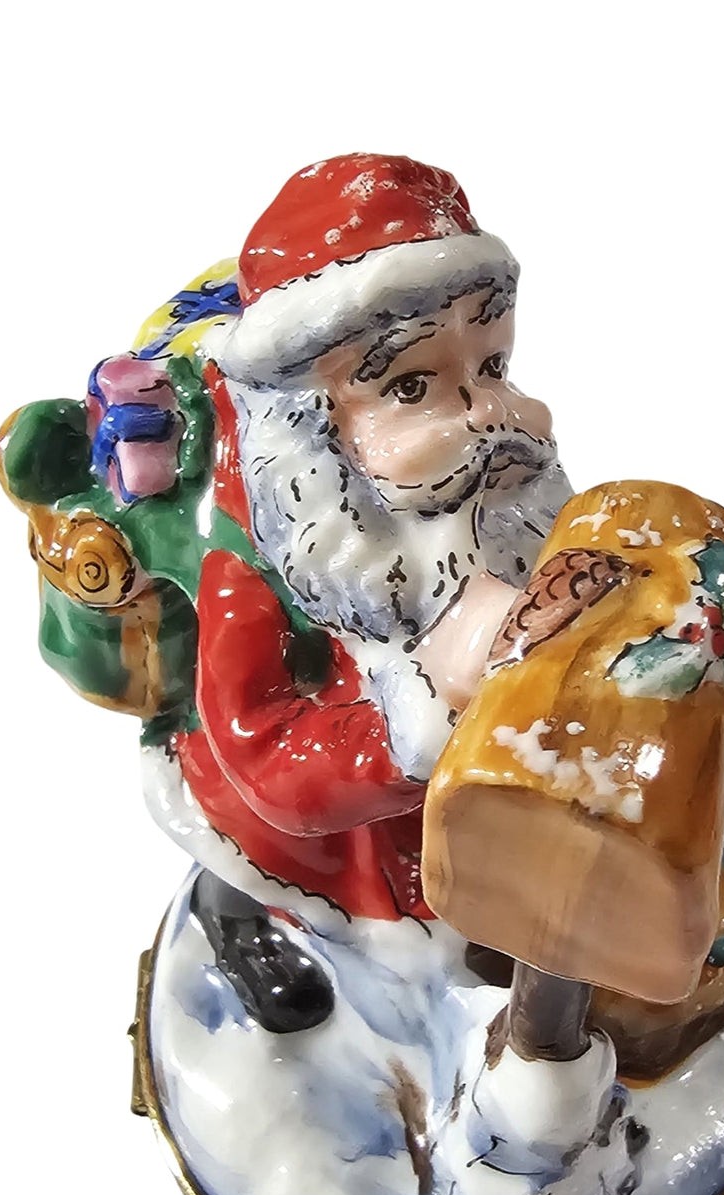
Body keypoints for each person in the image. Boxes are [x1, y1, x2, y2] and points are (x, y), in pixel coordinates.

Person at [155, 154, 576, 1030]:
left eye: (493, 365)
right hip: (335, 834)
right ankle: (243, 914)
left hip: (486, 811)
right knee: (281, 876)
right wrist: (428, 697)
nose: (486, 413)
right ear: (312, 429)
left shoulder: (507, 510)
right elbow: (267, 756)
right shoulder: (262, 565)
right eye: (411, 386)